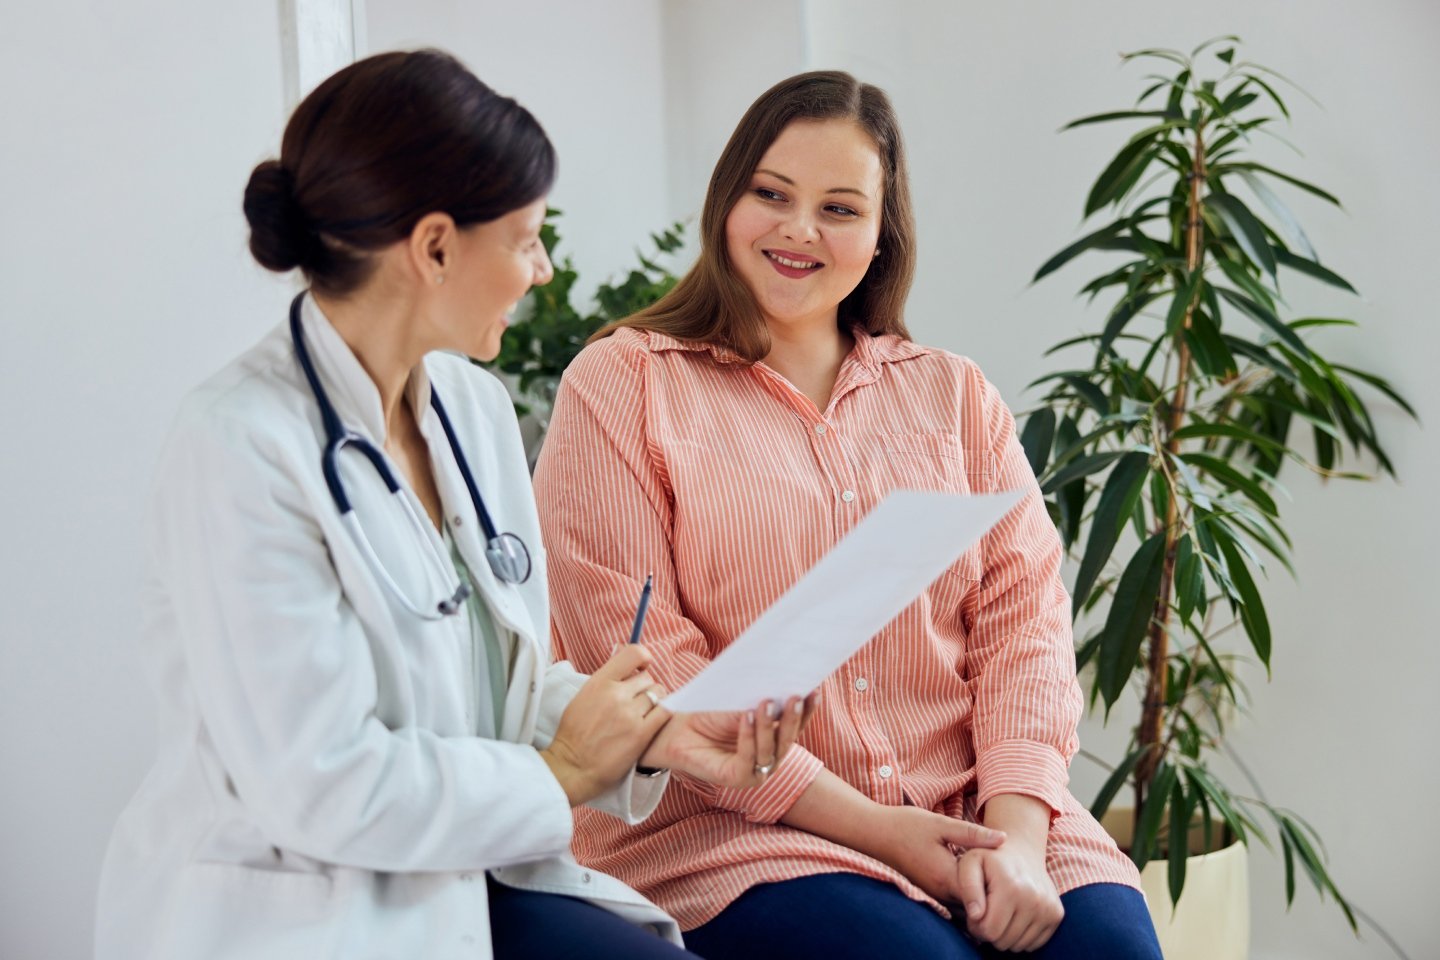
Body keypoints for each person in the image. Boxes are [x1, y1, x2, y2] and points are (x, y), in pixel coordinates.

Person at [94, 50, 811, 960]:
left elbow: (482, 685)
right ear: (435, 248)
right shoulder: (238, 448)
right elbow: (321, 784)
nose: (543, 270)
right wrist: (557, 775)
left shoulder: (470, 410)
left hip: (466, 868)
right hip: (312, 902)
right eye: (525, 239)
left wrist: (659, 734)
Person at [532, 71, 1164, 959]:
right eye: (772, 194)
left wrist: (1019, 841)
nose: (799, 230)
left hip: (977, 806)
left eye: (839, 207)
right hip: (740, 832)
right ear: (727, 201)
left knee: (1112, 951)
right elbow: (647, 664)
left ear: (879, 235)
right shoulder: (624, 384)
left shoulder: (955, 397)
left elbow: (1025, 634)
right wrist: (881, 831)